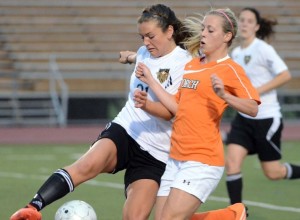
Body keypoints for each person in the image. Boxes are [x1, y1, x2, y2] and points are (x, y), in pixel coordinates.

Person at [10, 4, 192, 220]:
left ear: (170, 31)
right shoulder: (145, 52)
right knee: (86, 165)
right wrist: (129, 56)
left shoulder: (186, 64)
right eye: (142, 37)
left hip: (157, 152)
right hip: (127, 129)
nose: (145, 42)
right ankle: (31, 208)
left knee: (135, 217)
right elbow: (143, 57)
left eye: (151, 36)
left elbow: (173, 112)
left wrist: (148, 103)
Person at [134, 7, 260, 220]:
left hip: (203, 160)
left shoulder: (230, 69)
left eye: (210, 30)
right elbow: (177, 106)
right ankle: (229, 215)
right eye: (203, 29)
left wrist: (226, 96)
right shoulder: (192, 65)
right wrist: (150, 82)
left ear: (226, 36)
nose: (203, 34)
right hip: (176, 158)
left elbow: (252, 108)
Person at [225, 7, 300, 205]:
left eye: (249, 21)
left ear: (257, 26)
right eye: (242, 20)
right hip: (243, 119)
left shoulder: (263, 48)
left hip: (266, 119)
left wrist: (256, 91)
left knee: (273, 173)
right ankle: (237, 213)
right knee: (232, 163)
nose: (244, 24)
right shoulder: (236, 53)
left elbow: (285, 75)